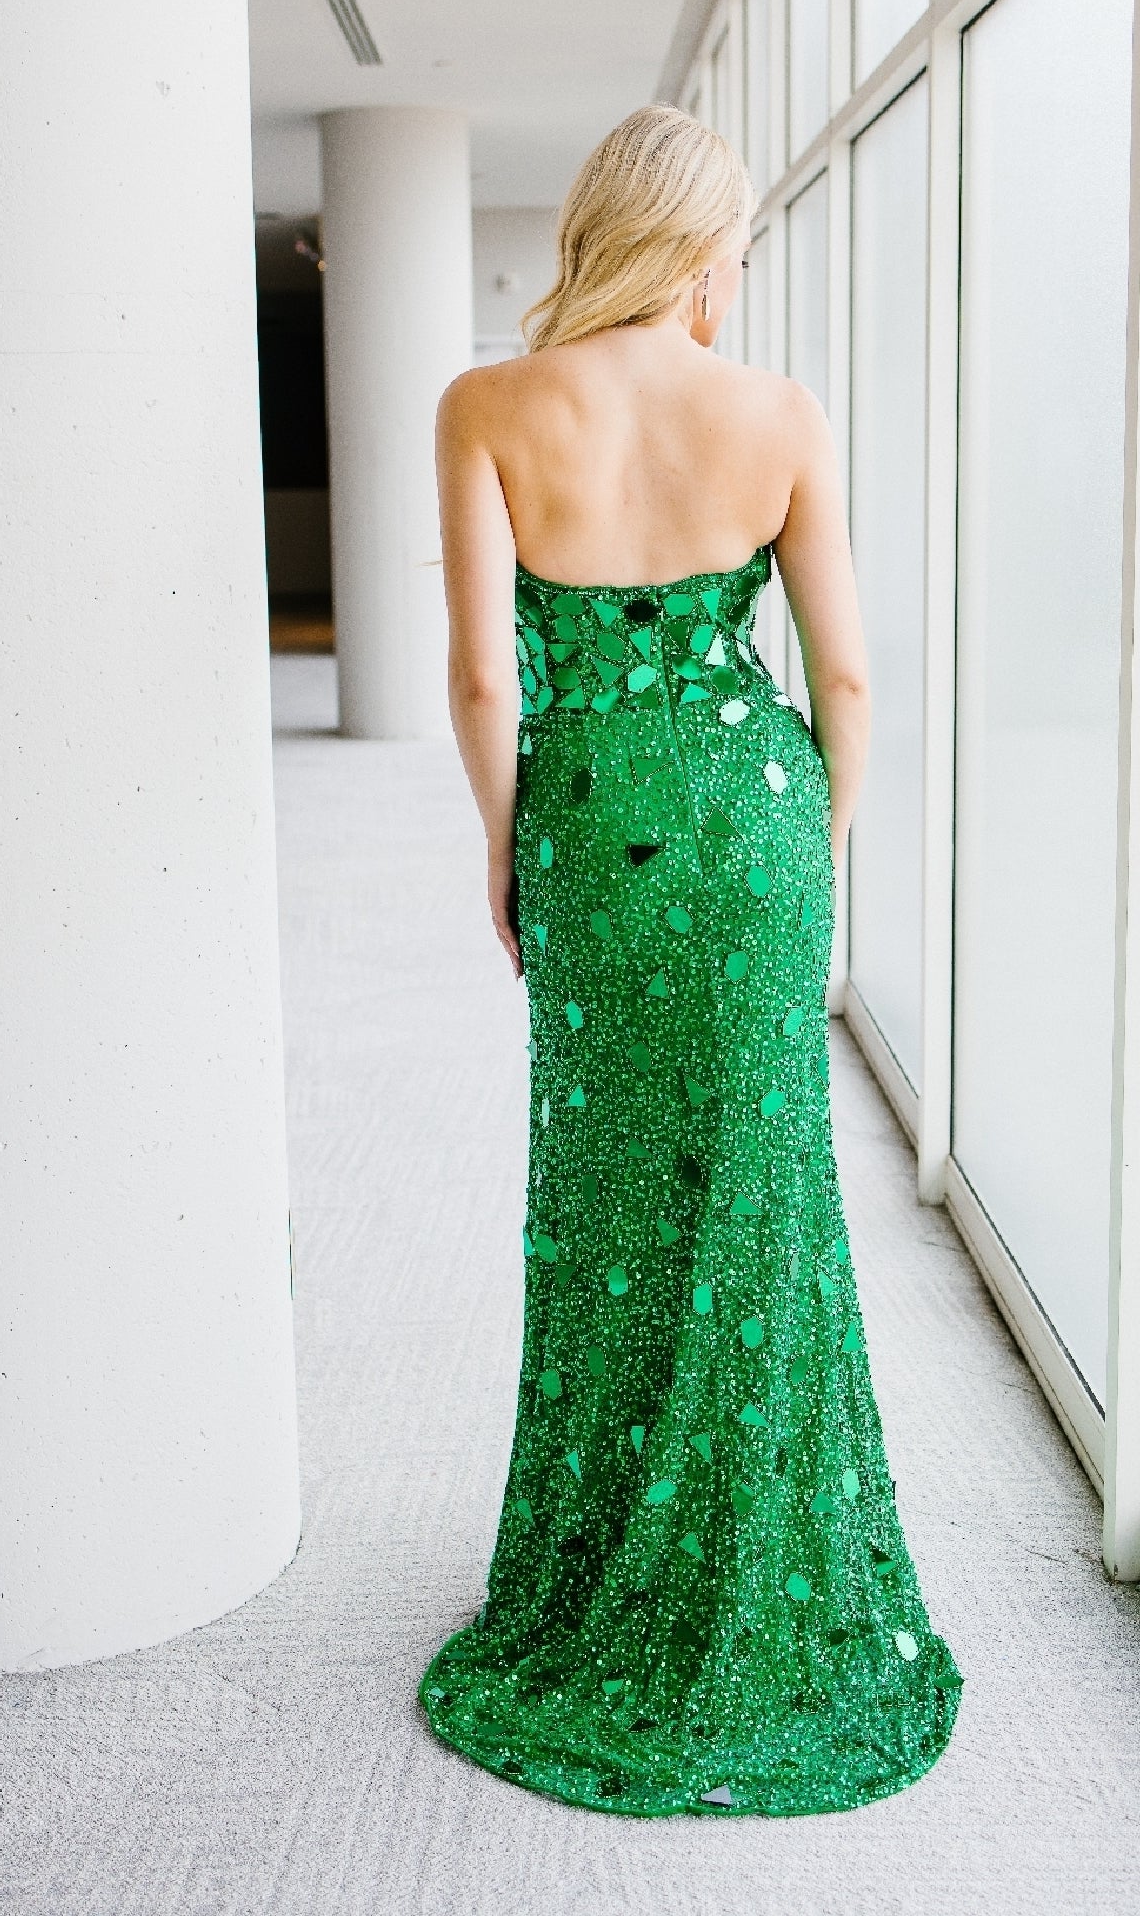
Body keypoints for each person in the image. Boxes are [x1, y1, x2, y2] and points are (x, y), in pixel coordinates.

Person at [419, 104, 961, 1817]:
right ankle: (761, 1584)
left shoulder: (485, 408)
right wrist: (820, 847)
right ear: (702, 246)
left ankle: (600, 1577)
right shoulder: (779, 416)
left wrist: (508, 845)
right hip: (753, 823)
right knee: (759, 1194)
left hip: (592, 821)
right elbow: (849, 679)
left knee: (603, 1194)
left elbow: (484, 679)